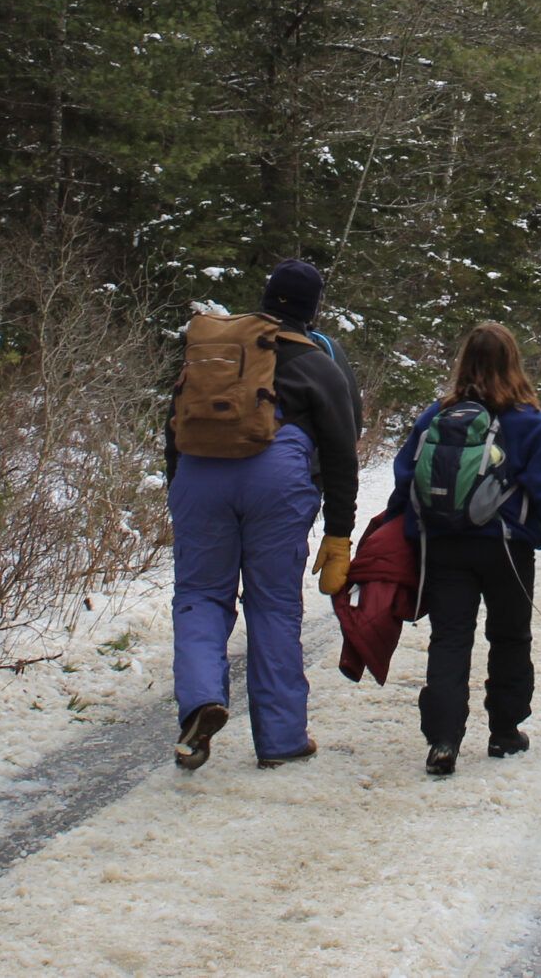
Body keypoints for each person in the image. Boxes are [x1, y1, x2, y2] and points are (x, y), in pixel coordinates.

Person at [165, 259, 359, 771]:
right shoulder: (319, 363)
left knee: (200, 594)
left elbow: (174, 427)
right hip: (275, 480)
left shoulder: (215, 354)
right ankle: (280, 738)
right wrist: (339, 533)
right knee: (273, 605)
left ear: (267, 296)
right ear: (313, 310)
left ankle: (202, 700)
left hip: (198, 475)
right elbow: (341, 453)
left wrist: (178, 494)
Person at [392, 321, 541, 777]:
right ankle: (504, 732)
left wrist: (395, 528)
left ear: (464, 361)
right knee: (509, 637)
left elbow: (406, 476)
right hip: (505, 548)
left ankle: (443, 740)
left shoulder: (435, 416)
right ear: (513, 362)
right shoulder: (527, 421)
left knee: (449, 639)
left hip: (443, 545)